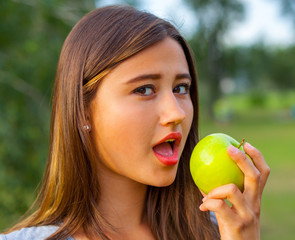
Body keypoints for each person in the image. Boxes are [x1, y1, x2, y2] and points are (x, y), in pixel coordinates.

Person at [0, 5, 270, 240]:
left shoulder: (222, 230)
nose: (176, 113)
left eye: (181, 88)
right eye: (144, 89)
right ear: (82, 110)